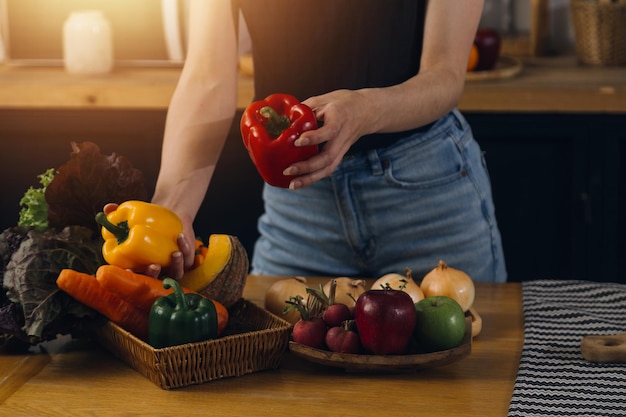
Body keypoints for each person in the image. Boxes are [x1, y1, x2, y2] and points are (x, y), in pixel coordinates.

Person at [149, 0, 507, 282]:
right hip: (299, 209)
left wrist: (367, 109)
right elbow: (207, 79)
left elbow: (445, 76)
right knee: (279, 370)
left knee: (465, 366)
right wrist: (170, 211)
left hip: (426, 198)